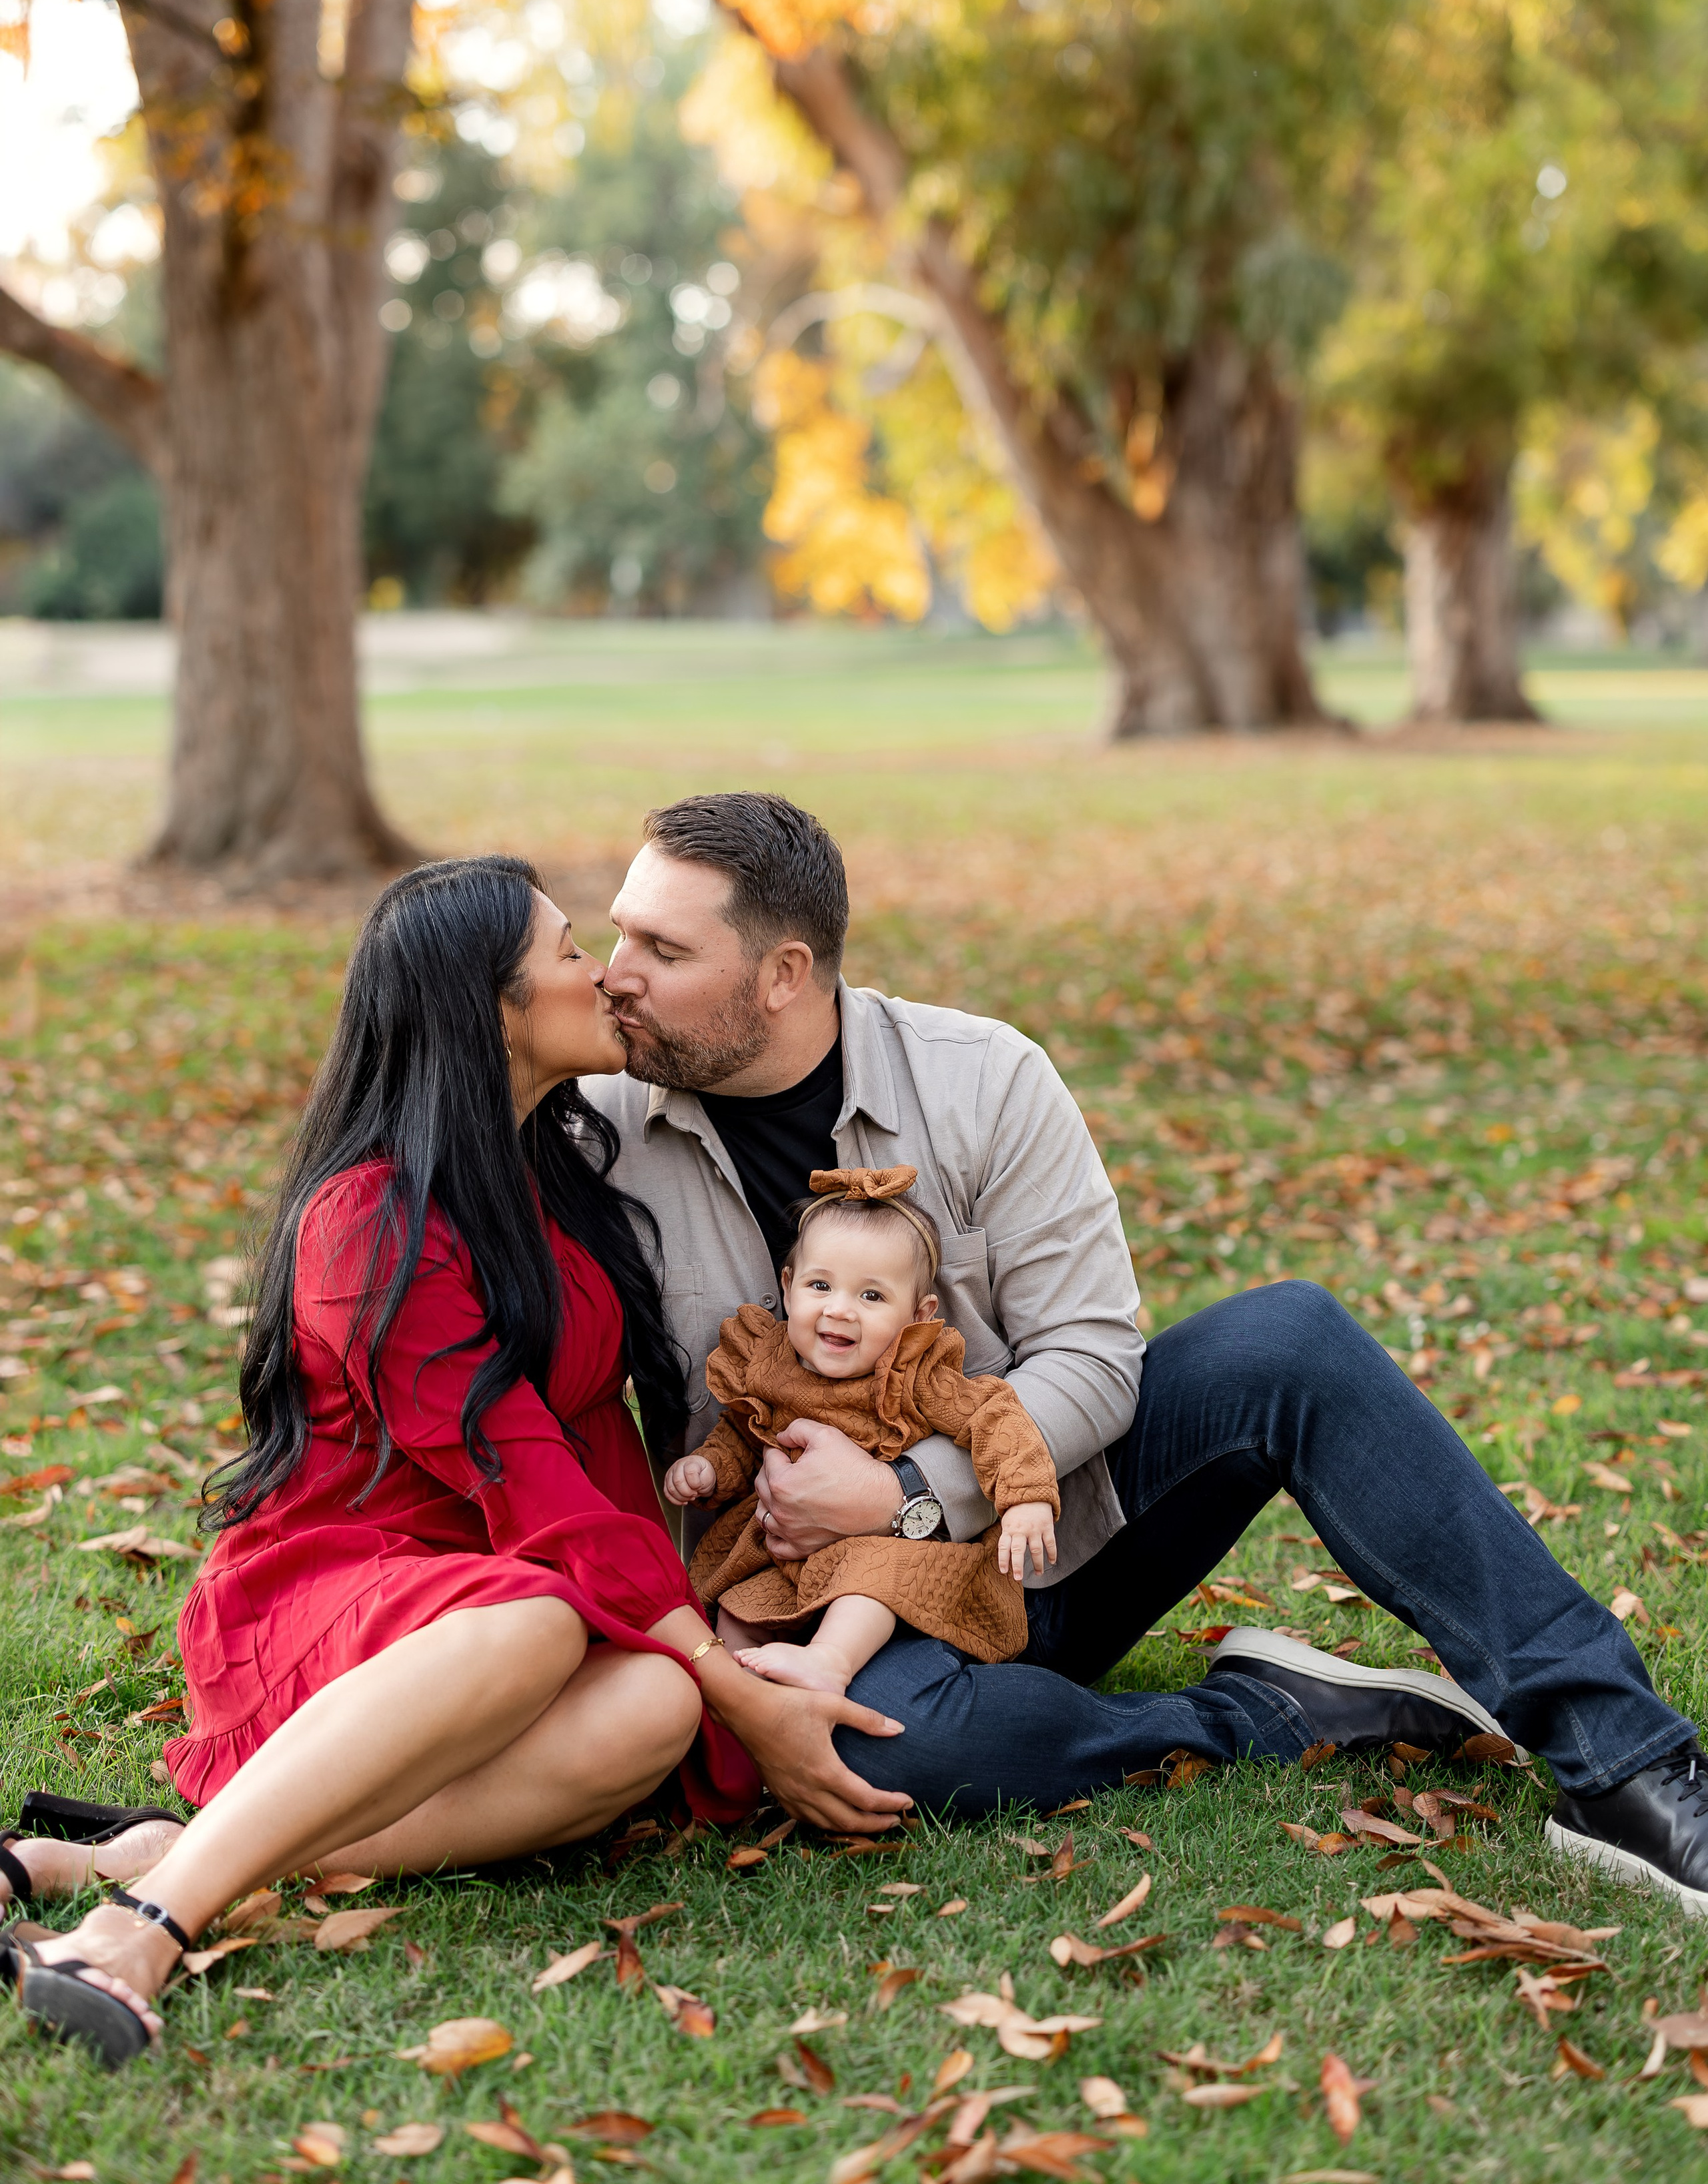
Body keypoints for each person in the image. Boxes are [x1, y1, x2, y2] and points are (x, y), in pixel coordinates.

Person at [586, 790, 1708, 1914]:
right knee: (882, 1754)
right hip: (816, 1598)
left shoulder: (984, 1077)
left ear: (784, 975)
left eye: (661, 947)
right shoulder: (593, 1131)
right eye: (619, 930)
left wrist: (903, 1493)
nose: (614, 970)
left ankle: (1625, 1765)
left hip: (1042, 1547)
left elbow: (1089, 1358)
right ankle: (1272, 1712)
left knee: (1292, 1339)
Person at [1, 855, 907, 2069]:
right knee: (543, 1620)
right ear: (491, 1005)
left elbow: (596, 1461)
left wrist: (703, 1651)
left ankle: (153, 1849)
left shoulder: (553, 1180)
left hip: (508, 1595)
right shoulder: (367, 1222)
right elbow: (529, 1486)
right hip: (335, 1595)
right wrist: (741, 1686)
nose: (605, 973)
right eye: (570, 948)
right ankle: (138, 1927)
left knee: (654, 1704)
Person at [665, 1164, 1059, 1694]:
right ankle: (733, 1699)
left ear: (917, 1313)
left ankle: (830, 1661)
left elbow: (996, 1417)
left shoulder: (914, 1376)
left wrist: (1025, 1498)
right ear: (788, 1286)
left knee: (868, 1583)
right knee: (739, 1607)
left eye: (872, 1297)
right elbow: (743, 1433)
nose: (840, 1310)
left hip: (883, 1547)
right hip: (782, 1552)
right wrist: (709, 1468)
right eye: (820, 1285)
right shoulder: (768, 1363)